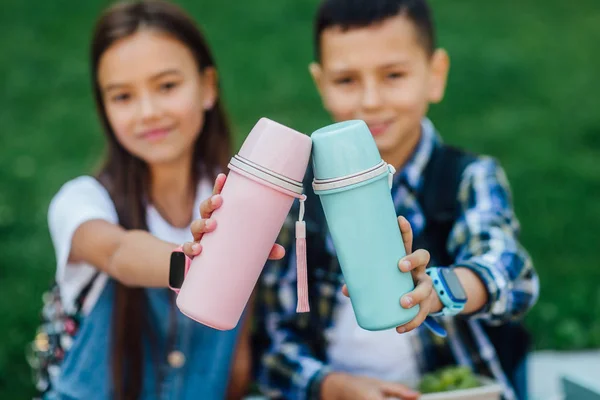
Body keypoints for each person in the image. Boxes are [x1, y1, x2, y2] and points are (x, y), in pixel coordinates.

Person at [187, 0, 539, 399]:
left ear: (435, 75)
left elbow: (512, 276)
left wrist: (440, 289)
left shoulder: (466, 178)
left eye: (394, 75)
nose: (371, 100)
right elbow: (274, 346)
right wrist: (332, 387)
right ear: (321, 84)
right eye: (346, 80)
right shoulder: (296, 195)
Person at [27, 1, 283, 399]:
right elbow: (118, 253)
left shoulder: (238, 200)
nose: (147, 112)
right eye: (123, 96)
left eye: (167, 86)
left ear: (208, 87)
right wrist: (193, 263)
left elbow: (237, 362)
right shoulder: (81, 201)